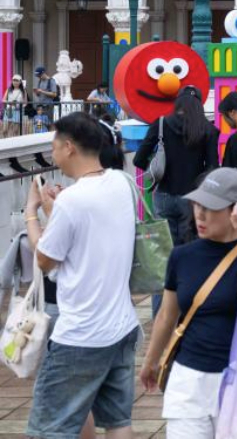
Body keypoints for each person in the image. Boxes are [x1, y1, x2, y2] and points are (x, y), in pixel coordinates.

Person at [22, 112, 139, 439]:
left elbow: (44, 260)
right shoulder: (122, 181)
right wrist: (55, 211)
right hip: (122, 325)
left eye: (54, 146)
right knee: (118, 421)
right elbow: (88, 237)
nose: (53, 154)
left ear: (69, 147)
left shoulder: (72, 201)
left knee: (51, 428)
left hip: (81, 336)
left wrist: (33, 212)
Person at [138, 168, 237, 437]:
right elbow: (167, 314)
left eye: (211, 207)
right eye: (198, 203)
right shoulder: (182, 256)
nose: (199, 213)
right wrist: (151, 361)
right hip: (188, 380)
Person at [134, 87, 221, 247]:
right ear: (199, 104)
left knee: (165, 246)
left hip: (164, 194)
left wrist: (156, 168)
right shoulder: (208, 130)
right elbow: (212, 168)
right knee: (191, 246)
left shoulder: (161, 124)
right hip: (193, 197)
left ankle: (169, 272)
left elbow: (138, 160)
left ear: (178, 102)